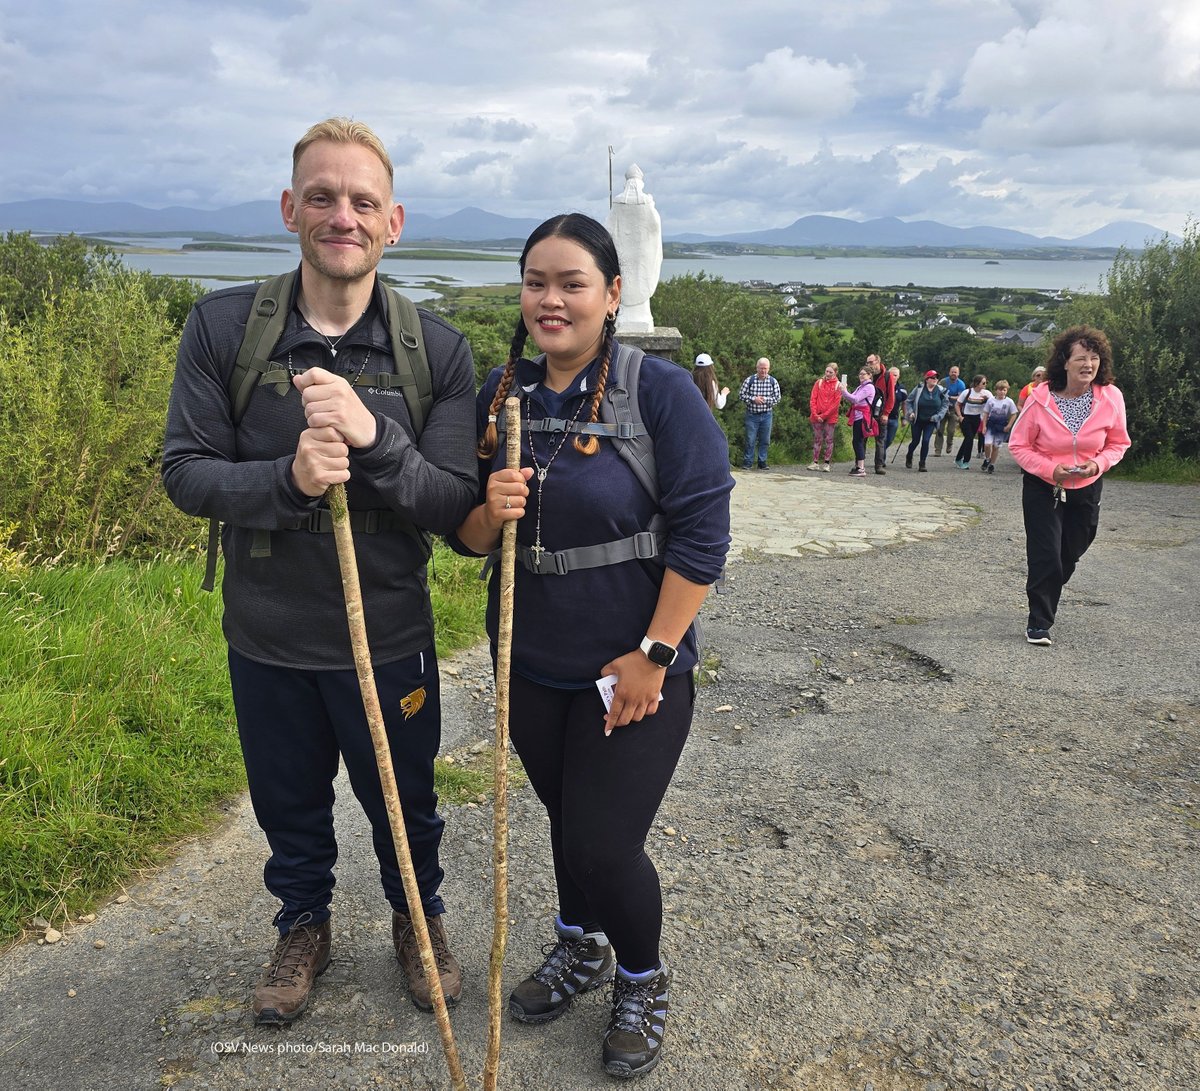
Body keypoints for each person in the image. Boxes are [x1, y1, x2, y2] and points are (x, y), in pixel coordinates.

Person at [162, 118, 478, 1023]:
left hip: (391, 633)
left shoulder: (438, 352)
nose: (343, 214)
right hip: (267, 631)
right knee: (288, 799)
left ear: (395, 221)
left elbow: (451, 501)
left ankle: (418, 920)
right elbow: (185, 470)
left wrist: (375, 438)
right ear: (291, 207)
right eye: (324, 196)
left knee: (404, 798)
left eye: (363, 200)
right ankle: (303, 921)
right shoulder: (226, 328)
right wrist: (289, 479)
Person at [452, 213, 732, 1079]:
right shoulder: (503, 395)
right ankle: (581, 945)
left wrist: (655, 652)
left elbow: (703, 532)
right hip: (530, 663)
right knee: (568, 825)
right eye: (536, 281)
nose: (551, 299)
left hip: (633, 670)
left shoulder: (661, 393)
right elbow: (461, 536)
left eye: (572, 283)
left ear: (613, 294)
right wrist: (486, 509)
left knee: (605, 844)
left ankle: (641, 977)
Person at [1009, 326, 1130, 646]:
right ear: (1064, 362)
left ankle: (1048, 587)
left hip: (1087, 485)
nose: (1088, 364)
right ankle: (1039, 621)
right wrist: (1051, 468)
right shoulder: (1040, 399)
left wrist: (1098, 464)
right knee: (1045, 553)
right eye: (1081, 358)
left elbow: (1119, 443)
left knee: (1071, 551)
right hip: (1042, 486)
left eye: (1094, 358)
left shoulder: (1111, 397)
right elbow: (1019, 446)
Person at [739, 356, 781, 469]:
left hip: (767, 415)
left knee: (765, 440)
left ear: (769, 369)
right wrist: (754, 399)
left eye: (765, 368)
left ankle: (762, 463)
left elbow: (777, 398)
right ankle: (748, 463)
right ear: (757, 368)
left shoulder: (773, 382)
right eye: (761, 368)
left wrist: (765, 400)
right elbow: (741, 395)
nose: (763, 371)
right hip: (751, 414)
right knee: (750, 439)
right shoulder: (749, 381)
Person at [904, 370, 948, 471]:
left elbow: (945, 405)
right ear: (927, 379)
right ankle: (909, 455)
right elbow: (909, 401)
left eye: (936, 378)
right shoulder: (919, 389)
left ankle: (922, 463)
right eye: (932, 377)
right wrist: (911, 412)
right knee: (915, 441)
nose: (935, 379)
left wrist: (939, 416)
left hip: (931, 420)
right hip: (917, 419)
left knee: (926, 441)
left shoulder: (941, 390)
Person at [840, 366, 877, 478]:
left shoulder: (868, 387)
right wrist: (844, 391)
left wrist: (844, 391)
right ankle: (858, 466)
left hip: (862, 417)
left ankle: (861, 468)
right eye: (860, 374)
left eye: (864, 374)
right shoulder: (861, 387)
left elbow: (855, 399)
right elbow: (853, 397)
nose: (861, 376)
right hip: (858, 416)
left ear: (870, 375)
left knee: (858, 441)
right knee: (856, 441)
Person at [866, 353, 896, 474]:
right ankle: (860, 464)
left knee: (880, 440)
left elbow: (891, 397)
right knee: (862, 438)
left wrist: (886, 413)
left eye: (871, 362)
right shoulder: (867, 375)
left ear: (878, 361)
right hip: (867, 412)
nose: (869, 365)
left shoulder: (888, 376)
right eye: (867, 363)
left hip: (881, 412)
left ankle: (878, 465)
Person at [980, 379, 1018, 474]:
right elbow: (986, 413)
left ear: (1007, 391)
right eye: (1000, 390)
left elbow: (1014, 414)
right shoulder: (991, 400)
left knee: (996, 446)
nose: (1002, 392)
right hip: (991, 424)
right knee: (987, 444)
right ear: (996, 390)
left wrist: (1009, 425)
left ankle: (992, 464)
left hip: (1001, 426)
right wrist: (984, 426)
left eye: (1004, 390)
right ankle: (987, 458)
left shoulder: (1009, 402)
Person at [808, 362, 841, 471]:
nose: (828, 374)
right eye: (827, 371)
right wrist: (815, 414)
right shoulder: (819, 382)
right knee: (817, 439)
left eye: (830, 372)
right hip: (817, 415)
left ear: (835, 373)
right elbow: (813, 399)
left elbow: (836, 404)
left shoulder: (838, 385)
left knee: (829, 439)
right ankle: (815, 461)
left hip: (830, 417)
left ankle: (826, 463)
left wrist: (824, 415)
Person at [953, 374, 991, 468]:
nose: (985, 384)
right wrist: (960, 416)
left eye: (986, 383)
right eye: (983, 383)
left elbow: (992, 404)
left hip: (977, 418)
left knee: (968, 439)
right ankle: (966, 461)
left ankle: (958, 459)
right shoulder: (967, 392)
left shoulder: (987, 394)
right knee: (969, 438)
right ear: (977, 383)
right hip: (966, 418)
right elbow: (957, 404)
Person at [933, 365, 966, 456]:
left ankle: (949, 444)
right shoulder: (943, 381)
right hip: (942, 407)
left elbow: (960, 397)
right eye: (952, 372)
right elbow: (936, 391)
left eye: (955, 372)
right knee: (940, 429)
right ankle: (938, 450)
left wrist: (949, 397)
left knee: (951, 430)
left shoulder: (961, 384)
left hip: (953, 408)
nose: (953, 374)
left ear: (958, 374)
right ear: (949, 372)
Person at [885, 365, 907, 458]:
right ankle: (881, 460)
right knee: (883, 439)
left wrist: (904, 418)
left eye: (895, 375)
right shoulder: (884, 386)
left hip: (894, 418)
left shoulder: (901, 388)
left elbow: (904, 403)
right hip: (884, 417)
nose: (893, 377)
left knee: (889, 440)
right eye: (891, 375)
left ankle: (880, 454)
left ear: (898, 376)